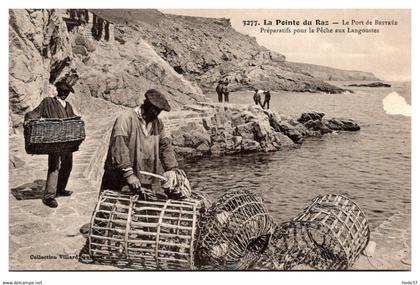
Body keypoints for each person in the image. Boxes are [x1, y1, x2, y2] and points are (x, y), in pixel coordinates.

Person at [100, 89, 191, 199]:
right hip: (121, 177)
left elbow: (165, 146)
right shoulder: (125, 119)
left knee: (142, 205)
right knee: (119, 205)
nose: (156, 113)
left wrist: (171, 168)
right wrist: (129, 175)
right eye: (154, 110)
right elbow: (120, 147)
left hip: (143, 175)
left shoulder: (158, 124)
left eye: (159, 111)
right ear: (146, 104)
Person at [25, 80, 77, 208]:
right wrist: (28, 119)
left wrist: (78, 120)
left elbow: (73, 118)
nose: (64, 94)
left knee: (68, 165)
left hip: (67, 140)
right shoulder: (48, 102)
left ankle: (60, 189)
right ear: (57, 91)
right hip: (54, 140)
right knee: (54, 167)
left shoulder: (68, 105)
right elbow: (35, 113)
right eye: (62, 91)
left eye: (66, 92)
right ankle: (49, 196)